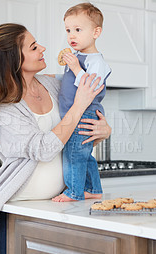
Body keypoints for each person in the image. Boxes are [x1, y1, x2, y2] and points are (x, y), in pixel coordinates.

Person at [0, 23, 111, 254]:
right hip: (17, 213)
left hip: (58, 208)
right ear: (14, 59)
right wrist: (79, 106)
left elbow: (83, 119)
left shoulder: (53, 85)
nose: (42, 48)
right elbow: (43, 148)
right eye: (33, 47)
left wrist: (103, 130)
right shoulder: (6, 106)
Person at [52, 3, 111, 202]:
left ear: (96, 32)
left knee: (73, 155)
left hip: (84, 114)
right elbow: (70, 81)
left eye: (78, 30)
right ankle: (93, 189)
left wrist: (76, 67)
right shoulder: (78, 57)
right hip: (75, 113)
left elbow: (90, 86)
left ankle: (74, 191)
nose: (71, 36)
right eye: (68, 30)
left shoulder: (96, 61)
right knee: (84, 155)